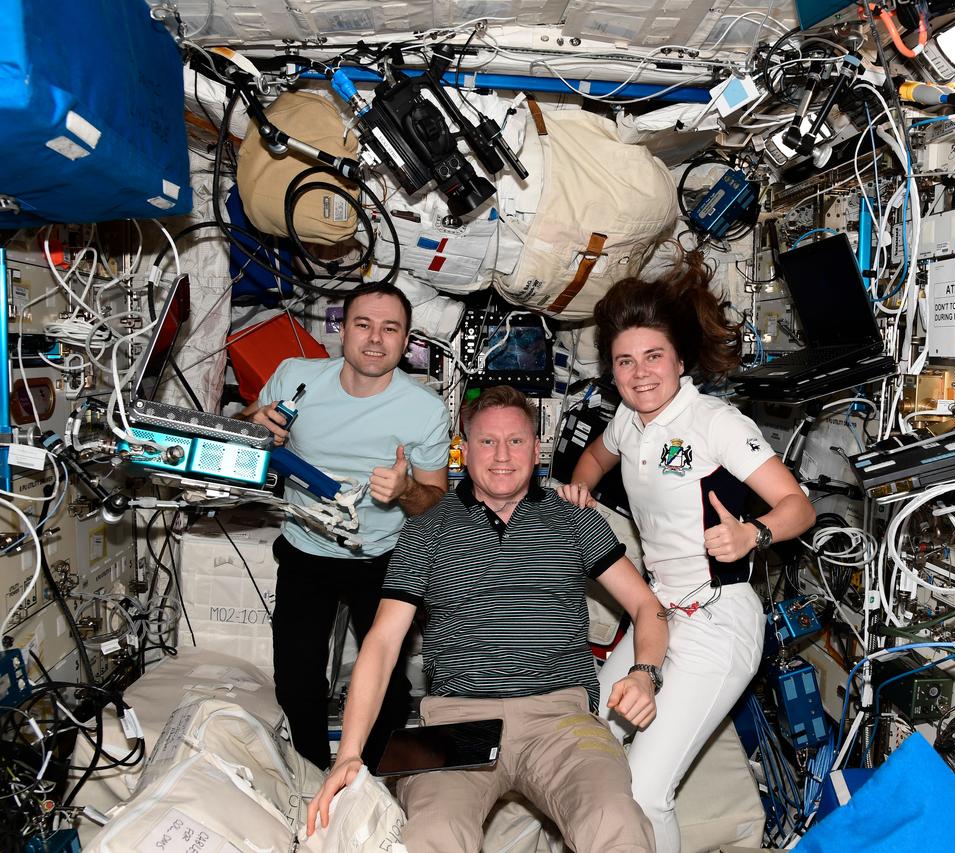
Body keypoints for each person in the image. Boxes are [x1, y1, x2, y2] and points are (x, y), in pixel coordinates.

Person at [306, 385, 667, 853]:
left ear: (537, 449)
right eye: (487, 441)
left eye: (516, 441)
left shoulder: (575, 519)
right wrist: (349, 753)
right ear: (465, 447)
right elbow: (382, 641)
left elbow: (648, 607)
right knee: (433, 833)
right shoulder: (428, 529)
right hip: (456, 719)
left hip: (560, 717)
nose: (502, 455)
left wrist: (643, 674)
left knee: (615, 820)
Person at [556, 253, 817, 853]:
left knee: (647, 790)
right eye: (625, 361)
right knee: (589, 746)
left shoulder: (711, 421)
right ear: (612, 371)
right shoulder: (628, 419)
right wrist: (581, 486)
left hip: (719, 621)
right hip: (657, 618)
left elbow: (798, 507)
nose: (641, 373)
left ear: (678, 358)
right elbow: (595, 457)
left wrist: (754, 535)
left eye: (653, 357)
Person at [241, 282, 450, 770]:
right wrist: (257, 424)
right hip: (304, 546)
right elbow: (238, 427)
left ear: (406, 341)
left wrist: (404, 492)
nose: (375, 339)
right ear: (341, 330)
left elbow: (435, 504)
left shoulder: (424, 410)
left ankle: (367, 779)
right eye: (363, 324)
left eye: (390, 328)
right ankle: (313, 778)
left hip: (379, 557)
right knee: (296, 682)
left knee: (390, 690)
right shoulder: (295, 376)